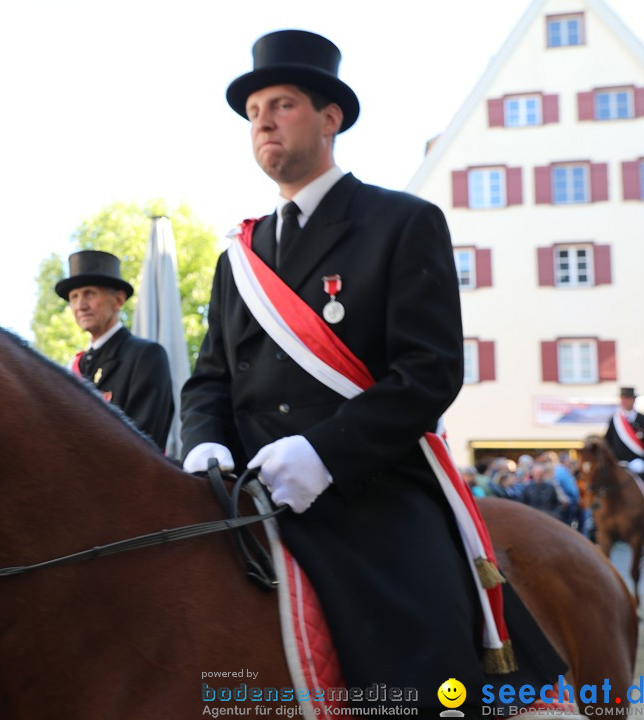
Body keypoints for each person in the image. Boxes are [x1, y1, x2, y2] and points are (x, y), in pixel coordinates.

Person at [180, 29, 562, 713]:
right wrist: (202, 438)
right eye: (255, 109)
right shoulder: (238, 258)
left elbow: (430, 371)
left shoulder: (400, 221)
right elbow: (211, 377)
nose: (263, 119)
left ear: (331, 119)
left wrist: (323, 453)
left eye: (283, 103)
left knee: (418, 662)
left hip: (368, 484)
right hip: (243, 489)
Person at [56, 249, 174, 449]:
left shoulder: (146, 356)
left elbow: (144, 443)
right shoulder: (76, 366)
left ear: (118, 300)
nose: (80, 305)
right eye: (74, 297)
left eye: (89, 294)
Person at [605, 386, 644, 541]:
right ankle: (599, 526)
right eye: (623, 399)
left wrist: (643, 462)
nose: (625, 401)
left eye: (628, 398)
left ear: (634, 400)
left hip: (642, 465)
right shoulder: (615, 421)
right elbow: (608, 445)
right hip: (621, 465)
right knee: (603, 489)